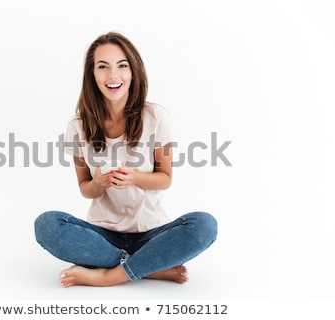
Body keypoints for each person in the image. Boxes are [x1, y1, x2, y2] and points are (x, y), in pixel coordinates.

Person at [34, 31, 217, 288]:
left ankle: (111, 274)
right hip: (102, 234)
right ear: (92, 74)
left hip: (151, 232)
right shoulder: (77, 128)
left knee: (204, 225)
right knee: (47, 225)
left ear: (133, 72)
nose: (113, 76)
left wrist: (135, 177)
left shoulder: (155, 117)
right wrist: (98, 184)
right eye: (102, 67)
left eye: (122, 66)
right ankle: (147, 267)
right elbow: (85, 188)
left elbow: (165, 179)